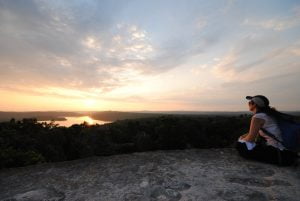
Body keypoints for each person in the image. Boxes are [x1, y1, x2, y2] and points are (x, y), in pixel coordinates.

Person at [236, 95, 298, 166]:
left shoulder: (258, 117)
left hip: (280, 155)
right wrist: (243, 137)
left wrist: (241, 139)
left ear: (255, 104)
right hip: (288, 154)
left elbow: (250, 139)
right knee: (243, 141)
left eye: (250, 102)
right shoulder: (269, 114)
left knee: (240, 145)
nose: (248, 104)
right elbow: (253, 133)